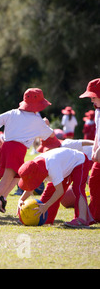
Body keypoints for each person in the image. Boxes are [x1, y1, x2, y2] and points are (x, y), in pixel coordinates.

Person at [0, 88, 54, 218]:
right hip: (17, 149)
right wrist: (46, 123)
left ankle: (2, 199)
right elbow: (50, 135)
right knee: (5, 182)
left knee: (18, 175)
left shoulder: (13, 112)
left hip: (7, 147)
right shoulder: (37, 120)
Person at [18, 147, 94, 228]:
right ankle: (45, 218)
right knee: (50, 191)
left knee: (77, 189)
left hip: (79, 161)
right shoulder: (34, 165)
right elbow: (30, 186)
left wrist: (46, 205)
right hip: (63, 166)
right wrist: (21, 200)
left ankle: (82, 220)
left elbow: (59, 191)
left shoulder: (52, 166)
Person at [79, 78, 100, 224]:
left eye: (93, 96)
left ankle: (93, 215)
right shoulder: (98, 111)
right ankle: (94, 215)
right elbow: (99, 132)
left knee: (94, 181)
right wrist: (95, 147)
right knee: (93, 182)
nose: (91, 100)